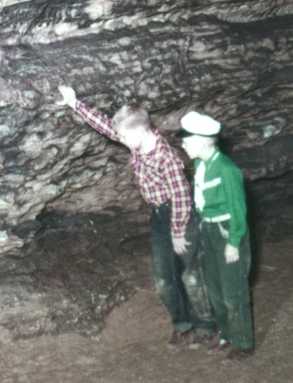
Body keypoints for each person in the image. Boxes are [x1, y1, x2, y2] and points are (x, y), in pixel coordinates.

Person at [56, 86, 217, 348]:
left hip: (180, 215)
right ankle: (183, 324)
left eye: (124, 135)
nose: (120, 138)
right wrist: (74, 103)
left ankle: (207, 327)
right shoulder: (136, 141)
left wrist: (178, 232)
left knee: (193, 275)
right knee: (164, 279)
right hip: (158, 215)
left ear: (140, 130)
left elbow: (181, 196)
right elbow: (107, 127)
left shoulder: (166, 156)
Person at [178, 111, 254, 363]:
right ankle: (226, 335)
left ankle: (242, 342)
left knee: (233, 290)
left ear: (201, 142)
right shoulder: (201, 165)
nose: (183, 144)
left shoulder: (227, 169)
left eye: (186, 141)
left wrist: (233, 243)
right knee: (215, 288)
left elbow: (238, 210)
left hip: (227, 230)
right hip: (208, 229)